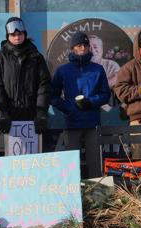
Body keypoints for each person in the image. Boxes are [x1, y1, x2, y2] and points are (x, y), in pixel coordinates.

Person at [51, 31, 110, 179]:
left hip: (92, 123)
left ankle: (96, 197)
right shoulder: (63, 71)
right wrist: (68, 108)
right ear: (72, 48)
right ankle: (73, 197)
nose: (82, 48)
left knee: (95, 164)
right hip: (72, 124)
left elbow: (105, 95)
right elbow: (52, 96)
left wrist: (90, 102)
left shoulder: (98, 69)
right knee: (71, 165)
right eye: (79, 45)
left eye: (85, 45)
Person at [0, 17, 51, 142]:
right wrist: (2, 111)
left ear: (25, 34)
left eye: (20, 34)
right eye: (13, 34)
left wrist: (41, 111)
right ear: (7, 36)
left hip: (32, 118)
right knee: (7, 160)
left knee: (33, 159)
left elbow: (44, 85)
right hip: (8, 118)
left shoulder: (36, 58)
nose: (17, 37)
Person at [113, 27, 141, 162]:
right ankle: (137, 184)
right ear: (139, 46)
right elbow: (120, 91)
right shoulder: (129, 67)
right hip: (139, 120)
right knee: (139, 161)